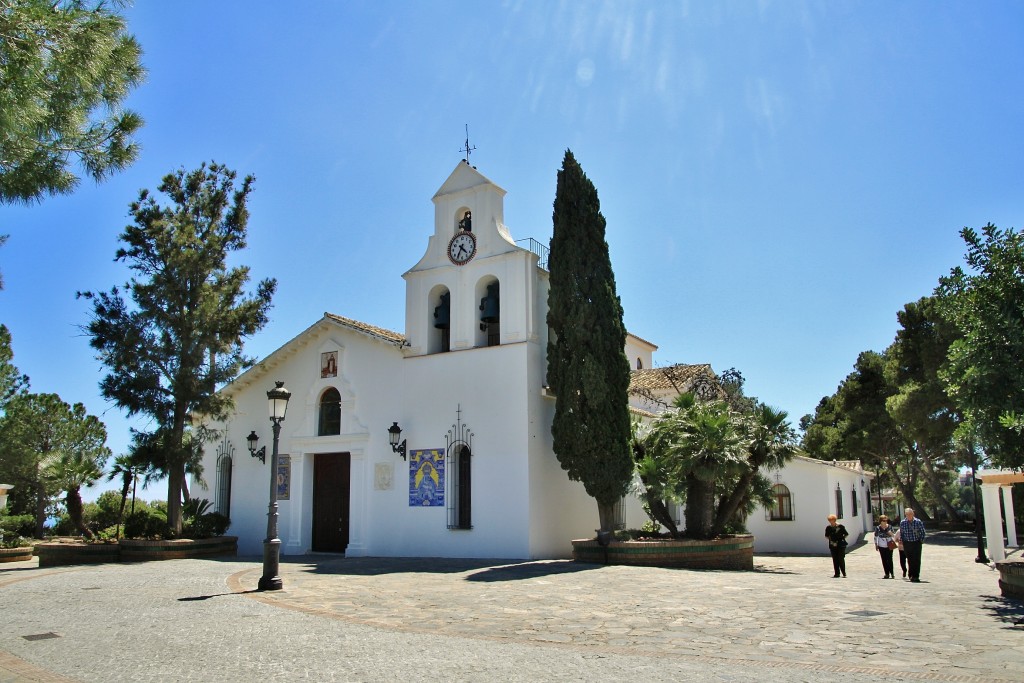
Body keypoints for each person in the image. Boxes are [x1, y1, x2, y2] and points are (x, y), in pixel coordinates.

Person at [898, 507, 926, 582]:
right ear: (905, 514)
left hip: (916, 542)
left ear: (913, 514)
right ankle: (911, 575)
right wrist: (901, 541)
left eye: (910, 514)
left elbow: (923, 532)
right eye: (907, 514)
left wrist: (921, 540)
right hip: (907, 543)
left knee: (916, 559)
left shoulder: (918, 521)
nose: (909, 515)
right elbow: (902, 533)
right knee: (910, 559)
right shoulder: (903, 522)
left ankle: (916, 576)